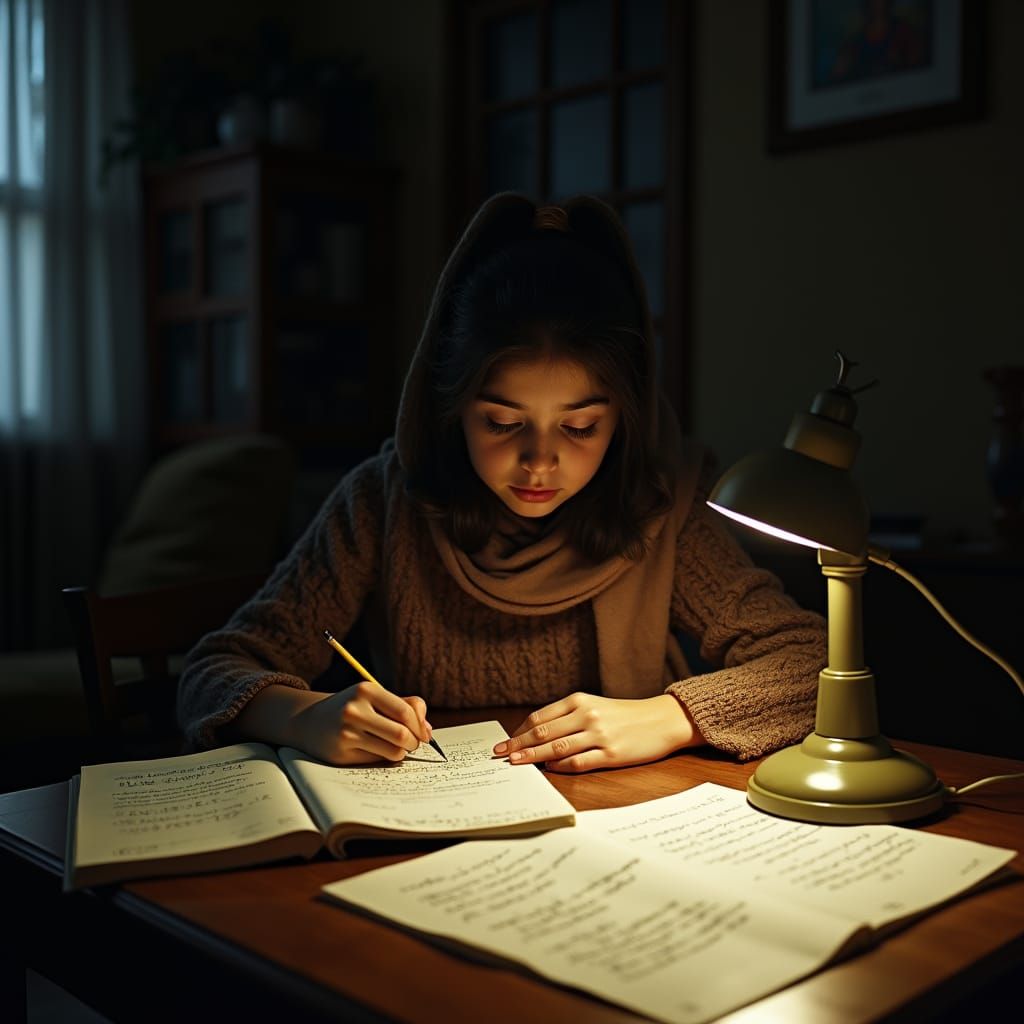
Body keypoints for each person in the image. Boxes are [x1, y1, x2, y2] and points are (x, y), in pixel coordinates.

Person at [178, 193, 826, 772]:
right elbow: (212, 671)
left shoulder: (663, 506)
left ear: (626, 419)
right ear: (452, 407)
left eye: (580, 427)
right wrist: (300, 715)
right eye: (502, 422)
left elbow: (816, 666)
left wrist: (669, 717)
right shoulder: (382, 505)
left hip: (625, 824)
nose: (539, 462)